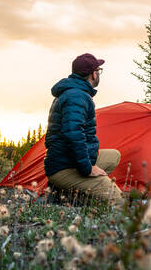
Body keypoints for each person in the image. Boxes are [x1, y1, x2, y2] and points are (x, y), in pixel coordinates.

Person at [44, 53, 123, 205]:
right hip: (64, 167)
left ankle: (67, 193)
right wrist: (88, 169)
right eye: (98, 70)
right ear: (93, 74)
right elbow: (73, 135)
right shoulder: (77, 96)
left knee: (114, 156)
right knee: (118, 200)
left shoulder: (75, 93)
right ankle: (69, 193)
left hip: (69, 162)